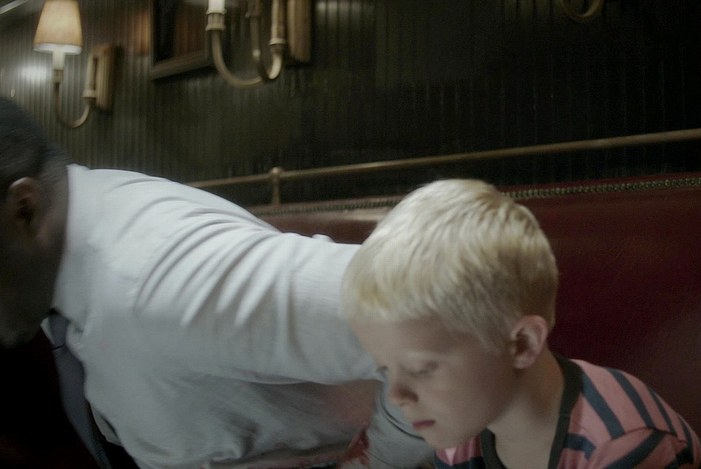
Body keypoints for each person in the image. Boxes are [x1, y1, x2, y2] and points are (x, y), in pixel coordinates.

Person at [0, 97, 433, 469]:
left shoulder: (159, 274)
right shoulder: (77, 241)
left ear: (23, 208)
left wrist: (375, 461)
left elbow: (430, 322)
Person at [341, 178, 701, 468]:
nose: (396, 396)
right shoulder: (462, 434)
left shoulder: (620, 447)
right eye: (386, 370)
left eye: (423, 368)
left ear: (521, 344)